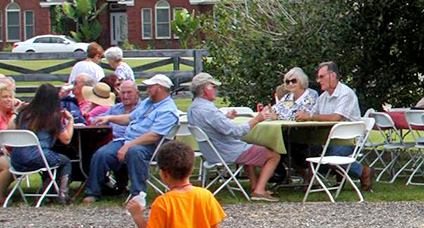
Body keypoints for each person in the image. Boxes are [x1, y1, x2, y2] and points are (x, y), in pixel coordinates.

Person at [83, 74, 182, 203]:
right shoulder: (148, 102)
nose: (147, 90)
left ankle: (138, 194)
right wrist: (109, 118)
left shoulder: (168, 110)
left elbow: (154, 136)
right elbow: (129, 118)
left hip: (152, 146)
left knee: (135, 152)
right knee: (101, 154)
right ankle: (93, 192)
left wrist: (127, 146)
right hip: (129, 140)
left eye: (150, 87)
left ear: (160, 88)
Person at [185, 72, 283, 202]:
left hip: (210, 153)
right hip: (226, 151)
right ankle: (259, 190)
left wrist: (226, 117)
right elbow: (236, 131)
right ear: (205, 89)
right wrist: (258, 119)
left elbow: (211, 124)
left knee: (250, 147)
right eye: (213, 87)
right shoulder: (209, 110)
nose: (216, 90)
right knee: (274, 155)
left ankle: (255, 187)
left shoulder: (193, 107)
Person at [295, 61, 373, 190]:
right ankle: (317, 180)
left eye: (321, 76)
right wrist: (302, 115)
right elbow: (312, 114)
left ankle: (363, 172)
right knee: (298, 148)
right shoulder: (323, 97)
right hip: (327, 139)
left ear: (332, 75)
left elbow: (336, 117)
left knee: (330, 155)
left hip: (349, 140)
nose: (318, 80)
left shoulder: (346, 94)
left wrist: (309, 117)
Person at [10, 84, 75, 202]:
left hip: (16, 159)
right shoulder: (53, 116)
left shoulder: (24, 113)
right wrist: (70, 121)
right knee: (64, 161)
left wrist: (16, 112)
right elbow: (66, 140)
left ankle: (47, 192)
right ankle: (62, 194)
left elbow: (9, 130)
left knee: (49, 159)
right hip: (38, 157)